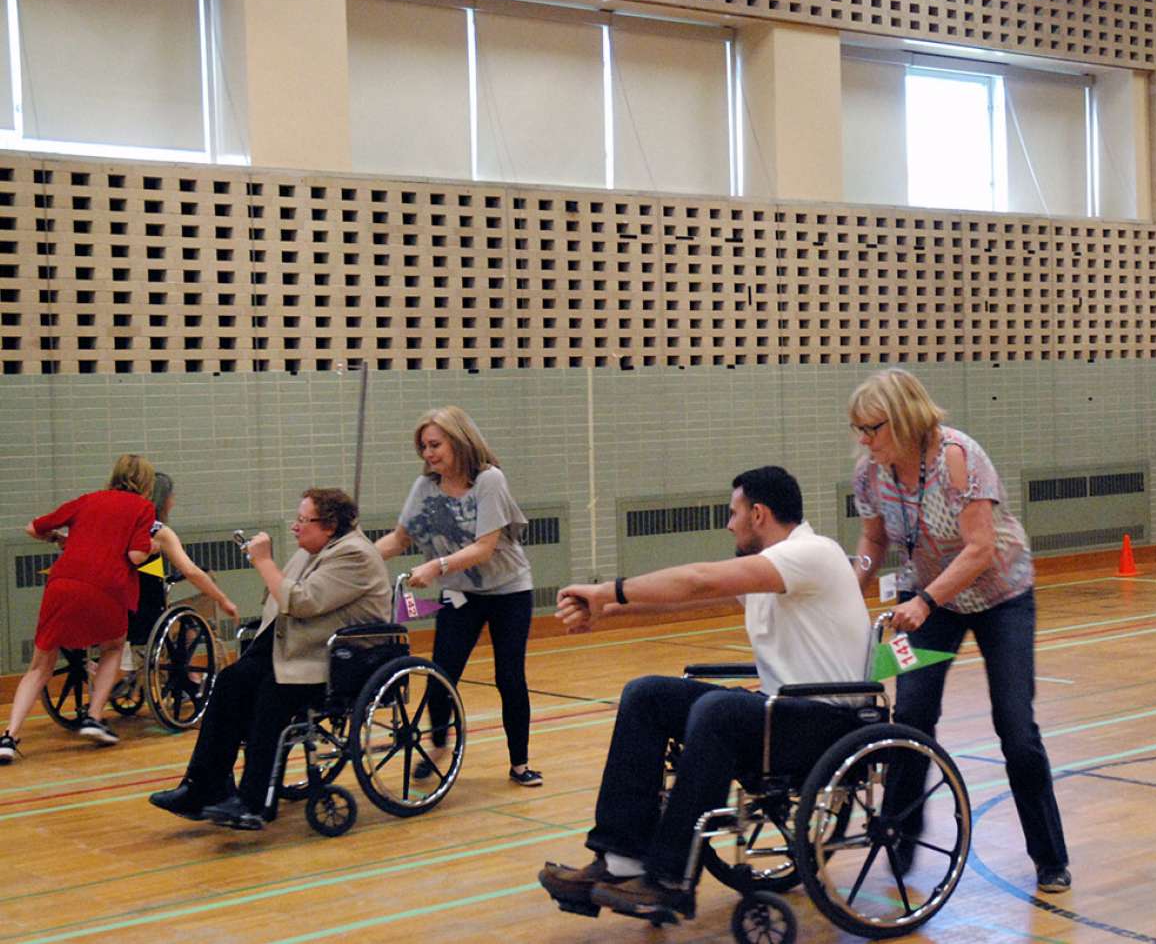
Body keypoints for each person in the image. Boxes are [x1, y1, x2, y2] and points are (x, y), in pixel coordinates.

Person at [538, 466, 872, 923]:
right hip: (781, 713)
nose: (728, 524)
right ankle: (622, 860)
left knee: (720, 710)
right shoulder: (769, 571)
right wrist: (606, 611)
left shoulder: (812, 552)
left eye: (733, 514)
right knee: (647, 695)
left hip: (826, 719)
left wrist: (605, 589)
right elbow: (687, 598)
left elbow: (700, 579)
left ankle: (671, 879)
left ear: (758, 514)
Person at [848, 368, 1071, 894]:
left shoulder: (958, 457)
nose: (863, 439)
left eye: (871, 428)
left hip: (1000, 598)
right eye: (858, 428)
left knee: (1016, 729)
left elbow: (981, 548)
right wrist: (848, 581)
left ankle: (1049, 856)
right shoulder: (870, 472)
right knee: (911, 714)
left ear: (902, 420)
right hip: (921, 599)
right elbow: (872, 543)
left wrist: (927, 601)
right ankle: (900, 830)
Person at [148, 487, 389, 830]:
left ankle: (254, 802)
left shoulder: (355, 555)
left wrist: (263, 560)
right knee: (230, 683)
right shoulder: (314, 549)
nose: (295, 527)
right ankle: (203, 786)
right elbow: (278, 596)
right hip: (299, 646)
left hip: (339, 660)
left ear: (330, 525)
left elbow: (302, 601)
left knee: (271, 696)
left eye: (304, 520)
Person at [374, 405, 540, 787]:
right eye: (423, 448)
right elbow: (400, 539)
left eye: (435, 445)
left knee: (509, 676)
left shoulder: (489, 481)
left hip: (508, 590)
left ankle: (519, 762)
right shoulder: (425, 488)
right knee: (441, 672)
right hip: (462, 593)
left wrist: (436, 567)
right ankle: (437, 746)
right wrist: (357, 557)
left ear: (459, 441)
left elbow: (485, 547)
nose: (429, 454)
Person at [1, 455, 158, 762]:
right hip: (107, 586)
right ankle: (94, 717)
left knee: (40, 666)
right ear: (146, 483)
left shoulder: (88, 500)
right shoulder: (143, 508)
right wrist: (156, 547)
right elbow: (137, 556)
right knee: (112, 648)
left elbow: (32, 528)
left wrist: (59, 538)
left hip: (63, 583)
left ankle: (9, 736)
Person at [120, 472, 240, 683]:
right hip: (146, 613)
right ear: (163, 499)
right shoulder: (157, 531)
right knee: (193, 616)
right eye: (172, 497)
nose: (173, 502)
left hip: (122, 607)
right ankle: (190, 677)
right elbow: (191, 571)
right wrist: (223, 599)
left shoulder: (121, 525)